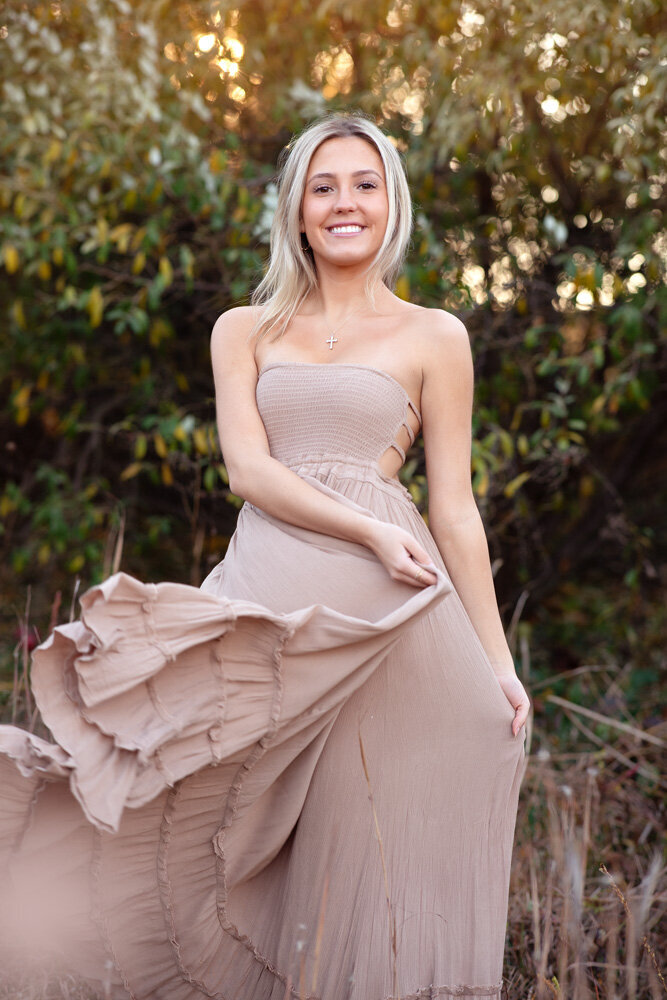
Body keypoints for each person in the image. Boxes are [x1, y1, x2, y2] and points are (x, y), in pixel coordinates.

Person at [0, 113, 529, 1000]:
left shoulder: (436, 335)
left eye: (364, 183)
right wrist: (364, 526)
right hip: (278, 594)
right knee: (188, 795)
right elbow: (247, 471)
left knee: (377, 839)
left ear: (390, 203)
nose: (343, 203)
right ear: (296, 210)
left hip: (399, 620)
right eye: (322, 187)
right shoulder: (244, 327)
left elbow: (455, 511)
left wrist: (497, 661)